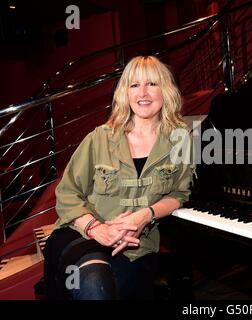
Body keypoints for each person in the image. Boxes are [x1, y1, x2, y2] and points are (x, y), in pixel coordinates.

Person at [43, 55, 194, 300]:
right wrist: (97, 228)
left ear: (165, 90)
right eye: (134, 85)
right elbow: (67, 193)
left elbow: (179, 194)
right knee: (95, 285)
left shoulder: (181, 140)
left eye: (151, 84)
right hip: (84, 235)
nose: (142, 93)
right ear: (125, 93)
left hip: (137, 246)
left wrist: (145, 215)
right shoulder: (99, 137)